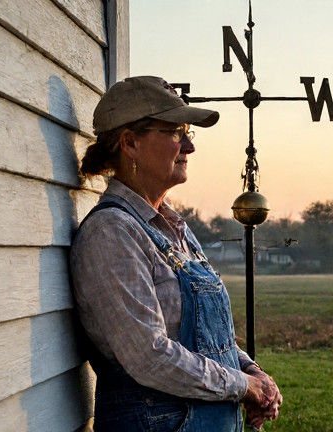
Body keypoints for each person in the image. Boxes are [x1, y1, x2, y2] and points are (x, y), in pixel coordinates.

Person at [70, 76, 281, 431]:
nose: (188, 146)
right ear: (131, 143)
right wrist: (243, 387)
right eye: (174, 132)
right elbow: (149, 356)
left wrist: (251, 371)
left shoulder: (172, 226)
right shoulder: (112, 233)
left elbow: (209, 340)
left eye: (187, 133)